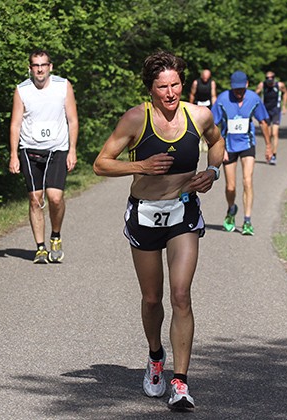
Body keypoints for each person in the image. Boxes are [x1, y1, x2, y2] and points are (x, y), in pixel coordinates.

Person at [93, 51, 224, 411]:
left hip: (183, 211)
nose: (170, 93)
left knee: (180, 295)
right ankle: (155, 357)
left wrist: (212, 172)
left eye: (175, 84)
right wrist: (142, 166)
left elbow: (216, 143)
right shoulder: (136, 119)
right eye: (163, 87)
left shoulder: (199, 115)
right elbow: (101, 164)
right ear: (150, 89)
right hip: (146, 213)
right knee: (152, 299)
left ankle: (180, 383)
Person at [9, 49, 79, 264]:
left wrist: (72, 150)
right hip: (29, 150)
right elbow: (15, 124)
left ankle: (55, 236)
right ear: (30, 68)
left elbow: (72, 120)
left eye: (43, 65)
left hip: (57, 149)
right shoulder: (22, 90)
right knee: (35, 199)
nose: (40, 69)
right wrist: (13, 155)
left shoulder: (63, 86)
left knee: (55, 197)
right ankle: (40, 248)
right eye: (36, 65)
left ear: (50, 67)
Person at [212, 71, 272, 235]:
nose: (238, 92)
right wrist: (218, 147)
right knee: (230, 187)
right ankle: (231, 209)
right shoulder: (223, 99)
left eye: (241, 89)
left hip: (247, 144)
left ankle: (247, 220)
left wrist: (269, 146)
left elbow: (263, 122)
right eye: (235, 89)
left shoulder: (253, 98)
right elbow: (212, 125)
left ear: (247, 85)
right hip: (228, 146)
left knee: (247, 181)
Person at [255, 71, 287, 165]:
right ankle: (269, 152)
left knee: (275, 133)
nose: (269, 80)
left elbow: (285, 92)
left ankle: (274, 155)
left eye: (271, 77)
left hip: (276, 110)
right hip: (266, 111)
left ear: (274, 78)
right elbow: (255, 94)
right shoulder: (262, 85)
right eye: (267, 78)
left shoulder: (279, 85)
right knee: (268, 134)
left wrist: (284, 105)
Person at [189, 69, 218, 152]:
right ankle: (199, 141)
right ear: (201, 76)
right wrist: (190, 106)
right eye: (204, 77)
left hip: (208, 104)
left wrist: (215, 107)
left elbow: (213, 95)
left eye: (207, 77)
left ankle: (205, 141)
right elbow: (192, 94)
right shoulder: (196, 82)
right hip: (198, 103)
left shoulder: (212, 83)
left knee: (207, 124)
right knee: (197, 123)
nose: (205, 79)